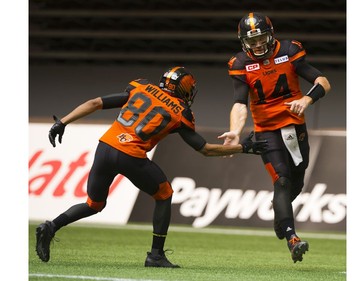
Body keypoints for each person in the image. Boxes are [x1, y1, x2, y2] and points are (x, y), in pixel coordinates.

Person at [36, 66, 268, 268]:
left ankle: (51, 226)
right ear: (183, 90)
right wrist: (244, 148)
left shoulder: (140, 87)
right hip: (130, 154)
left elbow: (95, 103)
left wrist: (62, 121)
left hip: (105, 147)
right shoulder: (181, 112)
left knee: (94, 204)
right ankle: (155, 255)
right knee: (164, 194)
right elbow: (205, 149)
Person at [219, 12, 331, 263]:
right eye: (252, 40)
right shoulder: (239, 63)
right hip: (266, 130)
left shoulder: (290, 51)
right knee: (281, 181)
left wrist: (306, 99)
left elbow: (323, 81)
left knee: (297, 181)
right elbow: (239, 103)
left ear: (271, 35)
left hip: (293, 126)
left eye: (261, 38)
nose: (257, 45)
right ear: (243, 41)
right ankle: (293, 239)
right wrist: (236, 131)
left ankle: (280, 214)